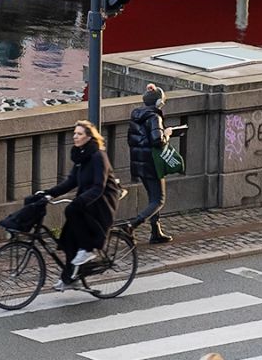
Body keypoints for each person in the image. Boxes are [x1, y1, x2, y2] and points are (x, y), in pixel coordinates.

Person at [42, 120, 119, 290]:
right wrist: (48, 193)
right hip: (88, 201)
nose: (75, 137)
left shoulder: (99, 156)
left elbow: (99, 186)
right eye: (74, 133)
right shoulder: (81, 156)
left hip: (102, 202)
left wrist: (80, 200)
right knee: (69, 239)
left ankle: (87, 249)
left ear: (89, 137)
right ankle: (71, 278)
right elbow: (71, 182)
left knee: (72, 211)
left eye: (79, 134)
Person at [127, 83, 173, 245]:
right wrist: (167, 134)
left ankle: (156, 231)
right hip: (152, 163)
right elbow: (157, 141)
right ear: (158, 103)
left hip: (139, 163)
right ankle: (132, 226)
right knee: (159, 199)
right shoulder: (154, 117)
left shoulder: (136, 116)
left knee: (152, 197)